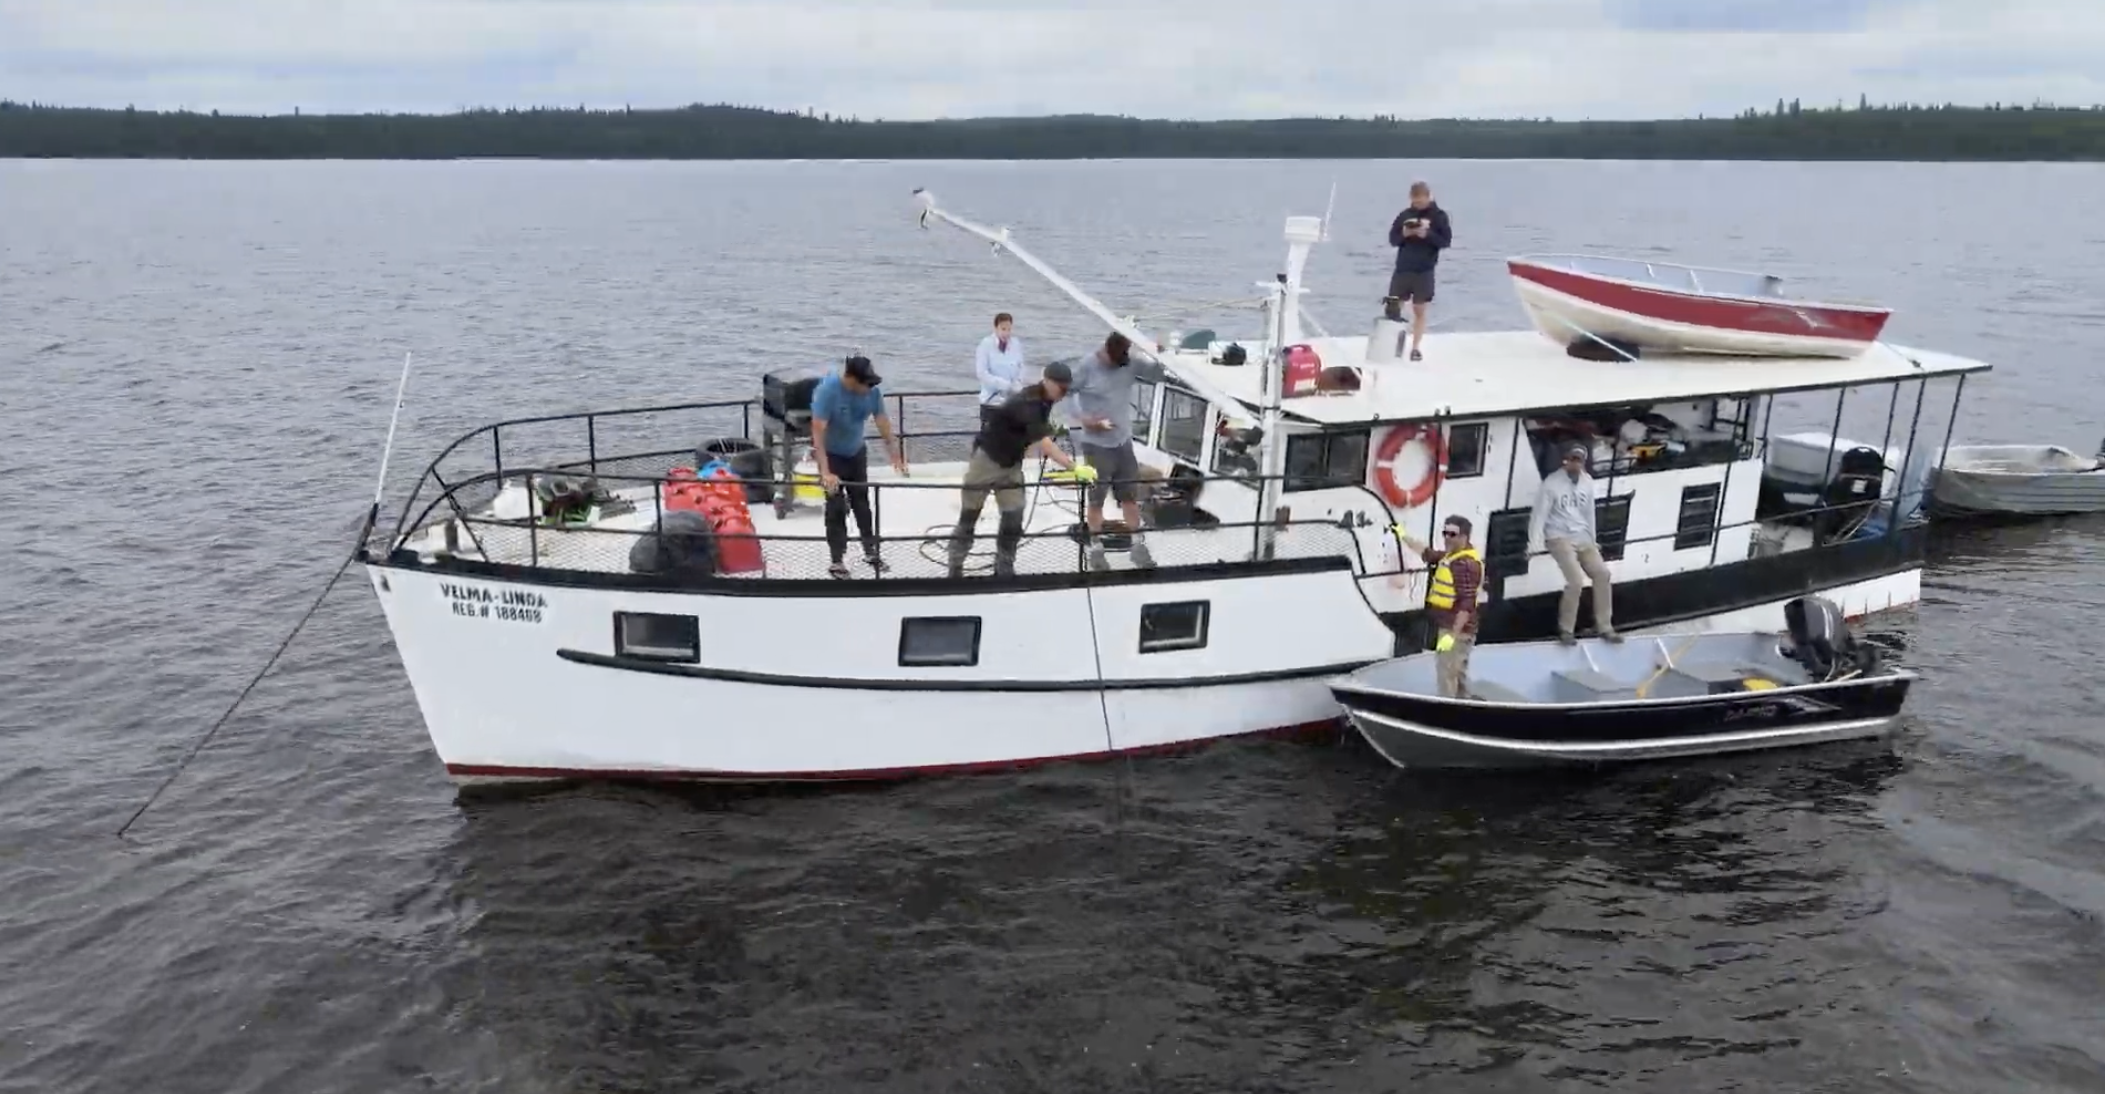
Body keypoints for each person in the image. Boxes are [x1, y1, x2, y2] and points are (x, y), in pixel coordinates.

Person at [945, 362, 1092, 578]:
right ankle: (955, 566)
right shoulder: (1028, 402)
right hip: (987, 461)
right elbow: (1044, 444)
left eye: (1066, 389)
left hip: (1011, 465)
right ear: (1047, 381)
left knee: (1013, 517)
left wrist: (1053, 428)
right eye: (1061, 388)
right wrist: (1074, 467)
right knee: (969, 518)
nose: (1063, 393)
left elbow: (1039, 426)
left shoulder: (1045, 399)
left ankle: (1004, 566)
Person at [1060, 331, 1155, 570]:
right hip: (1096, 445)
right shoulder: (1088, 365)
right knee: (1096, 499)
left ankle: (1137, 546)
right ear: (1107, 351)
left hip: (1123, 442)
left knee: (1129, 497)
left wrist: (1158, 351)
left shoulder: (1130, 364)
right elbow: (1068, 392)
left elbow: (1160, 373)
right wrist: (1085, 419)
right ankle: (1096, 547)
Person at [808, 354, 908, 579]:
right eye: (866, 383)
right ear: (851, 379)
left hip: (855, 453)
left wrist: (895, 454)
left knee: (862, 503)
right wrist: (825, 471)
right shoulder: (828, 392)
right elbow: (817, 433)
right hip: (831, 455)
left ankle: (870, 550)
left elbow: (882, 422)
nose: (869, 388)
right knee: (835, 507)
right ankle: (837, 559)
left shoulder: (872, 392)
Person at [1531, 442, 1622, 644]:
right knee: (1576, 581)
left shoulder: (1588, 482)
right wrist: (1533, 544)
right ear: (1565, 460)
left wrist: (1593, 539)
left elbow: (1589, 513)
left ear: (1583, 462)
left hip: (1582, 535)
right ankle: (1566, 629)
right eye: (1572, 459)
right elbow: (1538, 516)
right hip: (1558, 536)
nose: (1575, 463)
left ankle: (1605, 626)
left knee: (1603, 574)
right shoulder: (1551, 484)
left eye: (1579, 459)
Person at [1393, 516, 1484, 697]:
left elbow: (1466, 604)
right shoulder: (1451, 557)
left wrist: (1452, 635)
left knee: (1447, 674)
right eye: (1445, 533)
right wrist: (1403, 535)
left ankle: (1448, 711)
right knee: (1456, 672)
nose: (1447, 538)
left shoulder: (1464, 565)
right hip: (1450, 627)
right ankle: (1463, 705)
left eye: (1453, 534)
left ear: (1464, 537)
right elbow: (1427, 553)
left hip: (1457, 630)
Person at [1385, 181, 1452, 362]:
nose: (1418, 205)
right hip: (1403, 267)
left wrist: (1427, 235)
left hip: (1424, 269)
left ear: (1428, 197)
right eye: (1415, 202)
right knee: (1393, 308)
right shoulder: (1405, 215)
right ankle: (1392, 347)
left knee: (1419, 309)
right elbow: (1393, 239)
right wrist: (1405, 235)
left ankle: (1415, 347)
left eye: (1421, 202)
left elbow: (1446, 241)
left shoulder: (1439, 216)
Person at [973, 312, 1027, 431]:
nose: (1006, 333)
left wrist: (1018, 382)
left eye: (1009, 329)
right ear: (996, 328)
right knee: (991, 438)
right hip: (991, 401)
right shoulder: (985, 345)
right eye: (1003, 329)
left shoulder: (1015, 344)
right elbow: (981, 373)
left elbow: (1021, 366)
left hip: (1012, 402)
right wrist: (1003, 384)